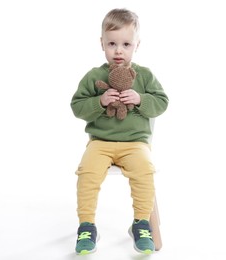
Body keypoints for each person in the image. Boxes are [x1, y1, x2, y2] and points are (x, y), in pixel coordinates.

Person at [70, 8, 169, 255]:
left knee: (145, 170)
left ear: (137, 45)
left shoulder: (144, 75)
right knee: (87, 172)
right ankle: (87, 225)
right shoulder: (94, 76)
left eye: (126, 44)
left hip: (135, 143)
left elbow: (162, 102)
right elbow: (77, 107)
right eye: (112, 43)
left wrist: (141, 99)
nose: (118, 50)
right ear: (101, 43)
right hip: (100, 142)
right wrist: (99, 102)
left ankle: (141, 224)